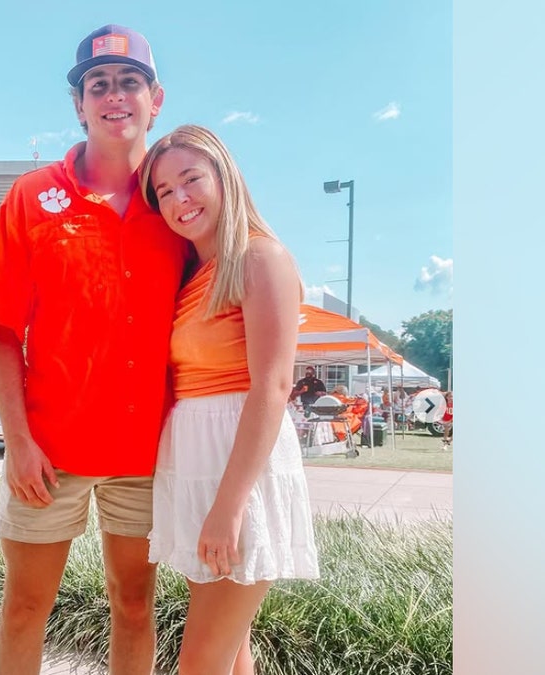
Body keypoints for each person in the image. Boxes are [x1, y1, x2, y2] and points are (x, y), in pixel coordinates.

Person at [0, 24, 188, 675]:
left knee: (135, 604)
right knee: (24, 606)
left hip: (145, 452)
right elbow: (2, 331)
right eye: (98, 84)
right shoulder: (34, 198)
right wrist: (17, 441)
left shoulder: (176, 201)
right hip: (49, 453)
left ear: (156, 98)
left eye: (129, 82)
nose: (113, 96)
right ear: (79, 103)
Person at [139, 124, 320, 675]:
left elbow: (273, 386)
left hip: (239, 471)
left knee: (199, 662)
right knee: (230, 650)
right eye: (164, 191)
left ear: (225, 176)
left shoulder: (260, 258)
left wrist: (229, 505)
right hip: (194, 460)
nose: (179, 199)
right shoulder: (193, 275)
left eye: (191, 179)